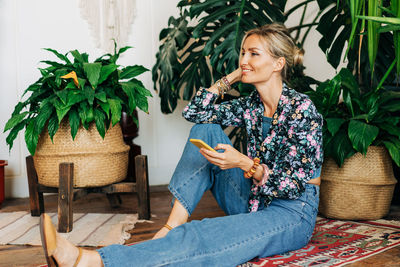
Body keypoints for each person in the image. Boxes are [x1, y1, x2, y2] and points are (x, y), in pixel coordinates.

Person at [39, 22, 323, 267]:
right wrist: (231, 78)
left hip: (291, 211)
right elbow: (195, 114)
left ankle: (93, 261)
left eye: (253, 54)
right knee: (206, 130)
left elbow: (294, 186)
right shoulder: (252, 105)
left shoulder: (302, 110)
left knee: (207, 234)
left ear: (278, 63)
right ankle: (171, 226)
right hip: (253, 198)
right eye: (243, 52)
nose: (244, 59)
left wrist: (244, 163)